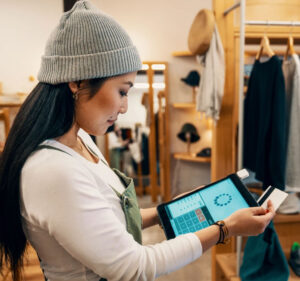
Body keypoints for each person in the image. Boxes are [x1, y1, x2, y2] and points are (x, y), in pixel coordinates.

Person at [0, 1, 275, 281]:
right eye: (122, 91)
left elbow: (107, 220)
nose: (124, 108)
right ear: (77, 81)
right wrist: (225, 228)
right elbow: (134, 266)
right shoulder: (51, 171)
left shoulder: (83, 139)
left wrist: (160, 212)